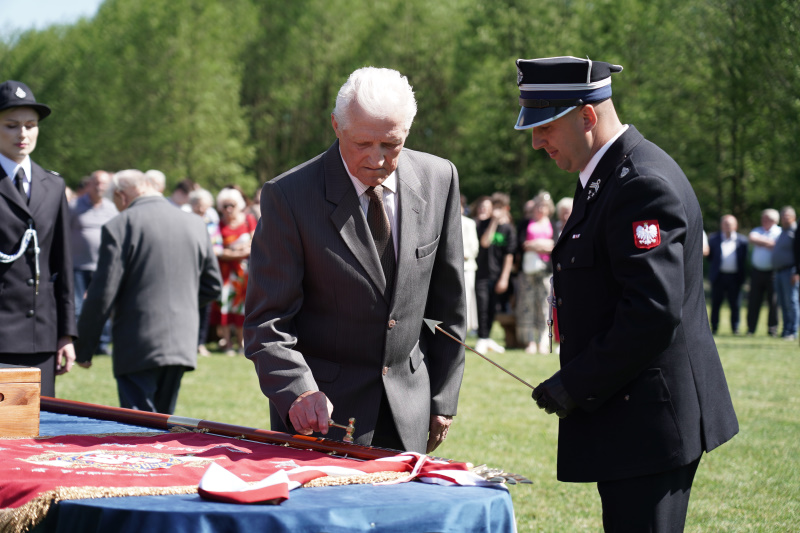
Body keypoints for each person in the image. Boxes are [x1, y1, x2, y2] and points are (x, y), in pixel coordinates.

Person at [514, 56, 738, 531]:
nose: (536, 142)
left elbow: (652, 313)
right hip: (631, 417)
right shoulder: (607, 176)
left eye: (545, 127)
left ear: (587, 116)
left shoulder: (639, 183)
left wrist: (575, 383)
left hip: (650, 425)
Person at [243, 67, 466, 454]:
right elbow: (267, 321)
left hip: (409, 410)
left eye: (391, 144)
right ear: (336, 125)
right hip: (321, 416)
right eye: (363, 143)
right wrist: (297, 391)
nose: (377, 159)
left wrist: (442, 399)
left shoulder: (439, 178)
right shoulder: (290, 196)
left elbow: (449, 306)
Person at [75, 169, 221, 414]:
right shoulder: (195, 223)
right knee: (162, 423)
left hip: (137, 340)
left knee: (139, 426)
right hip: (181, 341)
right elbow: (212, 286)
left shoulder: (120, 225)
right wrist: (181, 306)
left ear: (121, 195)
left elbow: (102, 293)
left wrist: (84, 348)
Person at [0, 80, 77, 397]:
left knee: (39, 423)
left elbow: (63, 264)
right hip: (1, 334)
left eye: (30, 125)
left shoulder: (53, 185)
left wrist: (66, 333)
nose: (23, 134)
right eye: (11, 125)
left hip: (40, 335)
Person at [69, 170, 118, 355]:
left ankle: (102, 344)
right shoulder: (74, 206)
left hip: (102, 266)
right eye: (96, 183)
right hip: (77, 265)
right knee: (77, 306)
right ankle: (75, 342)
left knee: (102, 305)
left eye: (104, 183)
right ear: (89, 184)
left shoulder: (111, 208)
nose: (100, 187)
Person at [213, 187, 256, 356]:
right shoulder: (219, 224)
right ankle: (226, 342)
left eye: (232, 205)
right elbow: (217, 250)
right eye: (225, 206)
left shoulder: (249, 220)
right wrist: (239, 251)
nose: (228, 209)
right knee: (224, 305)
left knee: (243, 308)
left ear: (239, 205)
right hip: (225, 273)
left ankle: (242, 342)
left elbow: (256, 242)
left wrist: (233, 250)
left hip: (244, 273)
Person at [474, 193, 517, 355]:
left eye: (499, 208)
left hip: (498, 275)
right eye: (494, 208)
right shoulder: (483, 224)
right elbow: (485, 242)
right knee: (482, 305)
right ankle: (481, 337)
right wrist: (493, 222)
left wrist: (504, 278)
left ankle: (486, 338)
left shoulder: (508, 229)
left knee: (493, 307)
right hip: (481, 273)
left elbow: (509, 255)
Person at [516, 191, 555, 354]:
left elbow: (556, 245)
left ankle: (543, 341)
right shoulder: (526, 223)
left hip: (546, 271)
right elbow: (521, 244)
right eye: (538, 206)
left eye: (544, 206)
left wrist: (535, 245)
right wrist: (543, 245)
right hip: (528, 270)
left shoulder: (553, 224)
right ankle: (530, 341)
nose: (540, 209)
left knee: (545, 305)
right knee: (527, 305)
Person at [189, 188, 223, 357]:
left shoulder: (211, 222)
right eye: (199, 205)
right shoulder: (185, 220)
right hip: (189, 269)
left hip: (206, 269)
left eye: (205, 205)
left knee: (205, 307)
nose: (202, 209)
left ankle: (201, 343)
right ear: (192, 204)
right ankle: (189, 342)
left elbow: (218, 245)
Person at [707, 215, 749, 335]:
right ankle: (714, 327)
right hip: (719, 277)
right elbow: (710, 258)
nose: (727, 226)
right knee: (716, 304)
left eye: (730, 224)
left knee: (735, 304)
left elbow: (744, 259)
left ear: (735, 226)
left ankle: (735, 328)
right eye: (725, 224)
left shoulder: (743, 241)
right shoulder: (713, 239)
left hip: (735, 277)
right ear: (721, 225)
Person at [746, 208, 781, 336]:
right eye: (763, 218)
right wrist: (770, 243)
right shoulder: (757, 230)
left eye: (767, 219)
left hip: (773, 273)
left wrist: (762, 242)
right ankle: (751, 328)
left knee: (773, 302)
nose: (764, 221)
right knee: (754, 301)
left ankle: (772, 329)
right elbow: (752, 238)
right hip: (757, 272)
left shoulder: (779, 232)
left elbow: (778, 245)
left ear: (774, 220)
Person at [772, 206, 798, 340]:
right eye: (783, 216)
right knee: (783, 303)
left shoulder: (796, 232)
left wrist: (797, 272)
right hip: (779, 272)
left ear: (794, 217)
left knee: (791, 302)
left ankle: (792, 331)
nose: (785, 218)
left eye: (787, 216)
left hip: (790, 271)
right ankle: (786, 330)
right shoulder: (782, 231)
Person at [462, 201, 480, 335]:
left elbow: (474, 248)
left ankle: (466, 327)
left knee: (467, 298)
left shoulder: (469, 223)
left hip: (467, 267)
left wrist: (463, 254)